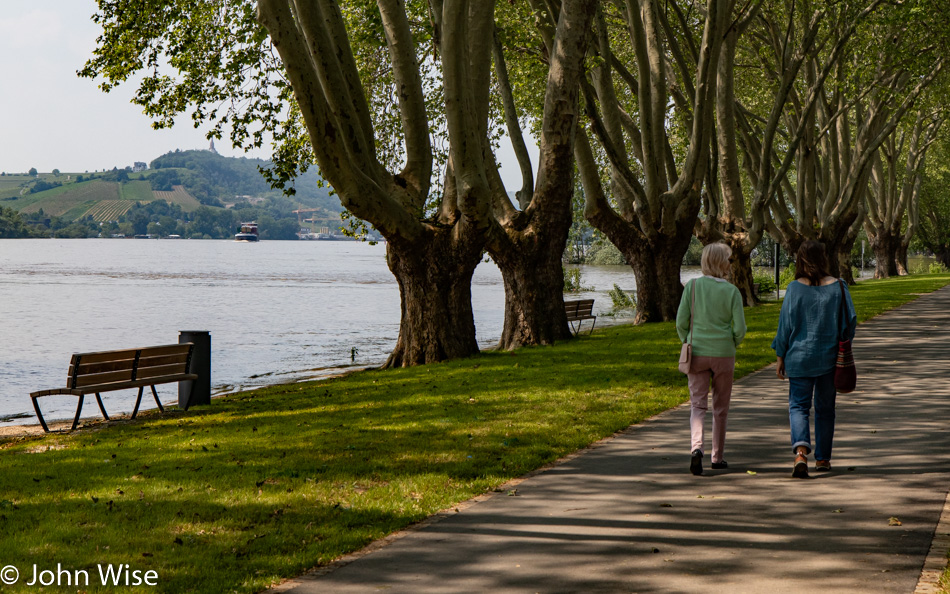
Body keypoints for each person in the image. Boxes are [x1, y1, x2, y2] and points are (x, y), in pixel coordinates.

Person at [772, 240, 857, 478]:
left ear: (800, 259)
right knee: (825, 408)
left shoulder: (794, 288)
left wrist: (780, 356)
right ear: (824, 258)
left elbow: (785, 327)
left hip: (798, 358)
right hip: (830, 359)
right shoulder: (839, 286)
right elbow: (850, 323)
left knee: (798, 406)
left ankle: (800, 452)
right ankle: (823, 458)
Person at [676, 242, 747, 475]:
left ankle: (697, 449)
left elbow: (681, 322)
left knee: (698, 405)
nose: (730, 263)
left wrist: (687, 340)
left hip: (696, 352)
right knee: (721, 408)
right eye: (728, 259)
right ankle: (717, 457)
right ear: (720, 262)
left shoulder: (692, 287)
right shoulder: (732, 291)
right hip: (724, 353)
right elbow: (740, 328)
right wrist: (732, 342)